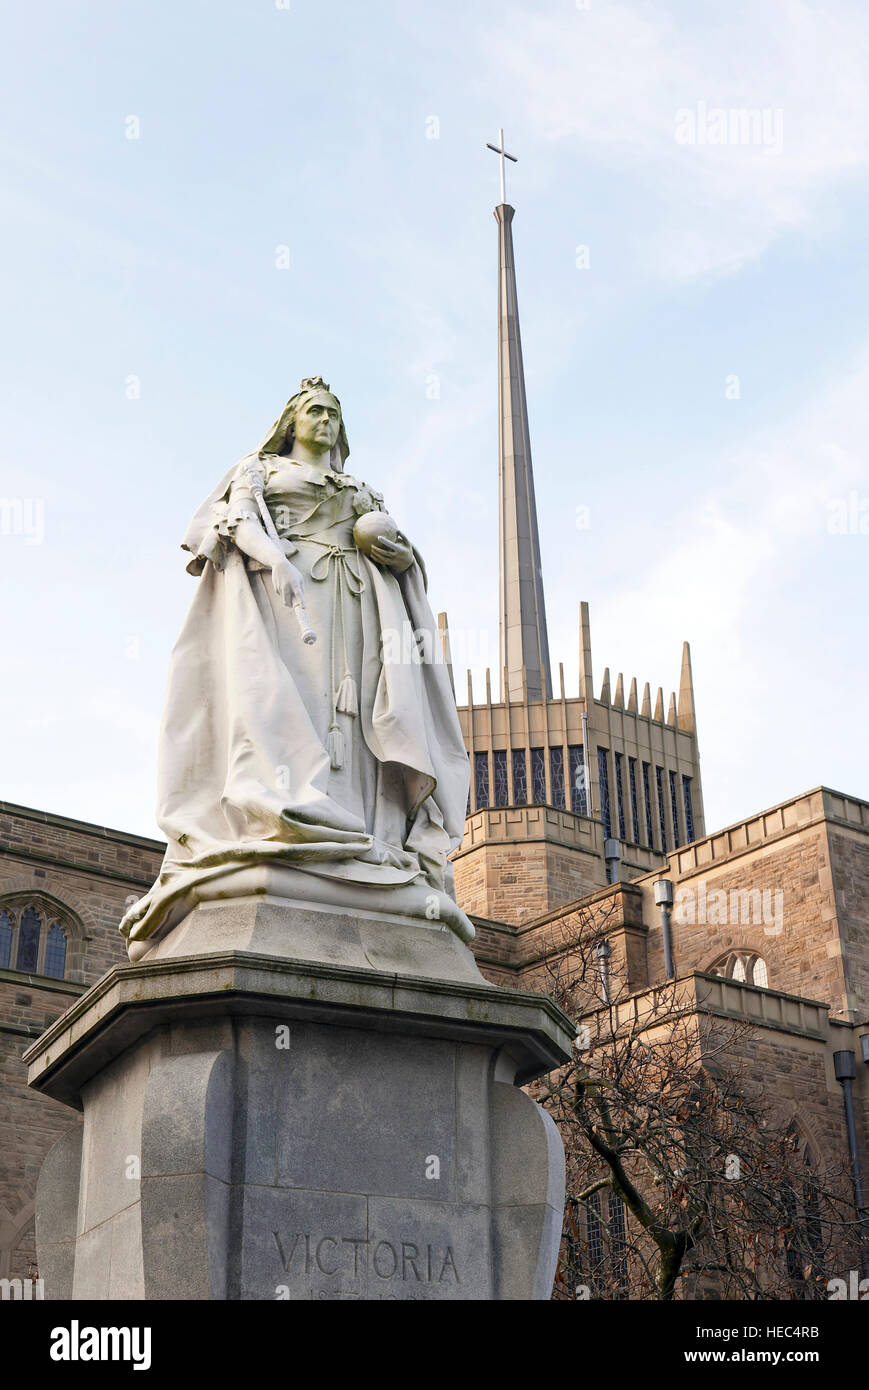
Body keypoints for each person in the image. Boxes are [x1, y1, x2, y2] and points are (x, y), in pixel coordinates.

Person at [120, 377, 473, 953]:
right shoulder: (259, 470)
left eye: (333, 412)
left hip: (355, 605)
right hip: (284, 600)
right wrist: (277, 562)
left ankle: (360, 827)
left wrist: (403, 557)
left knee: (357, 718)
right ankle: (292, 816)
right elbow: (230, 523)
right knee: (286, 705)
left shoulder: (360, 487)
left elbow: (402, 555)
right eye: (314, 410)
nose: (325, 420)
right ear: (291, 421)